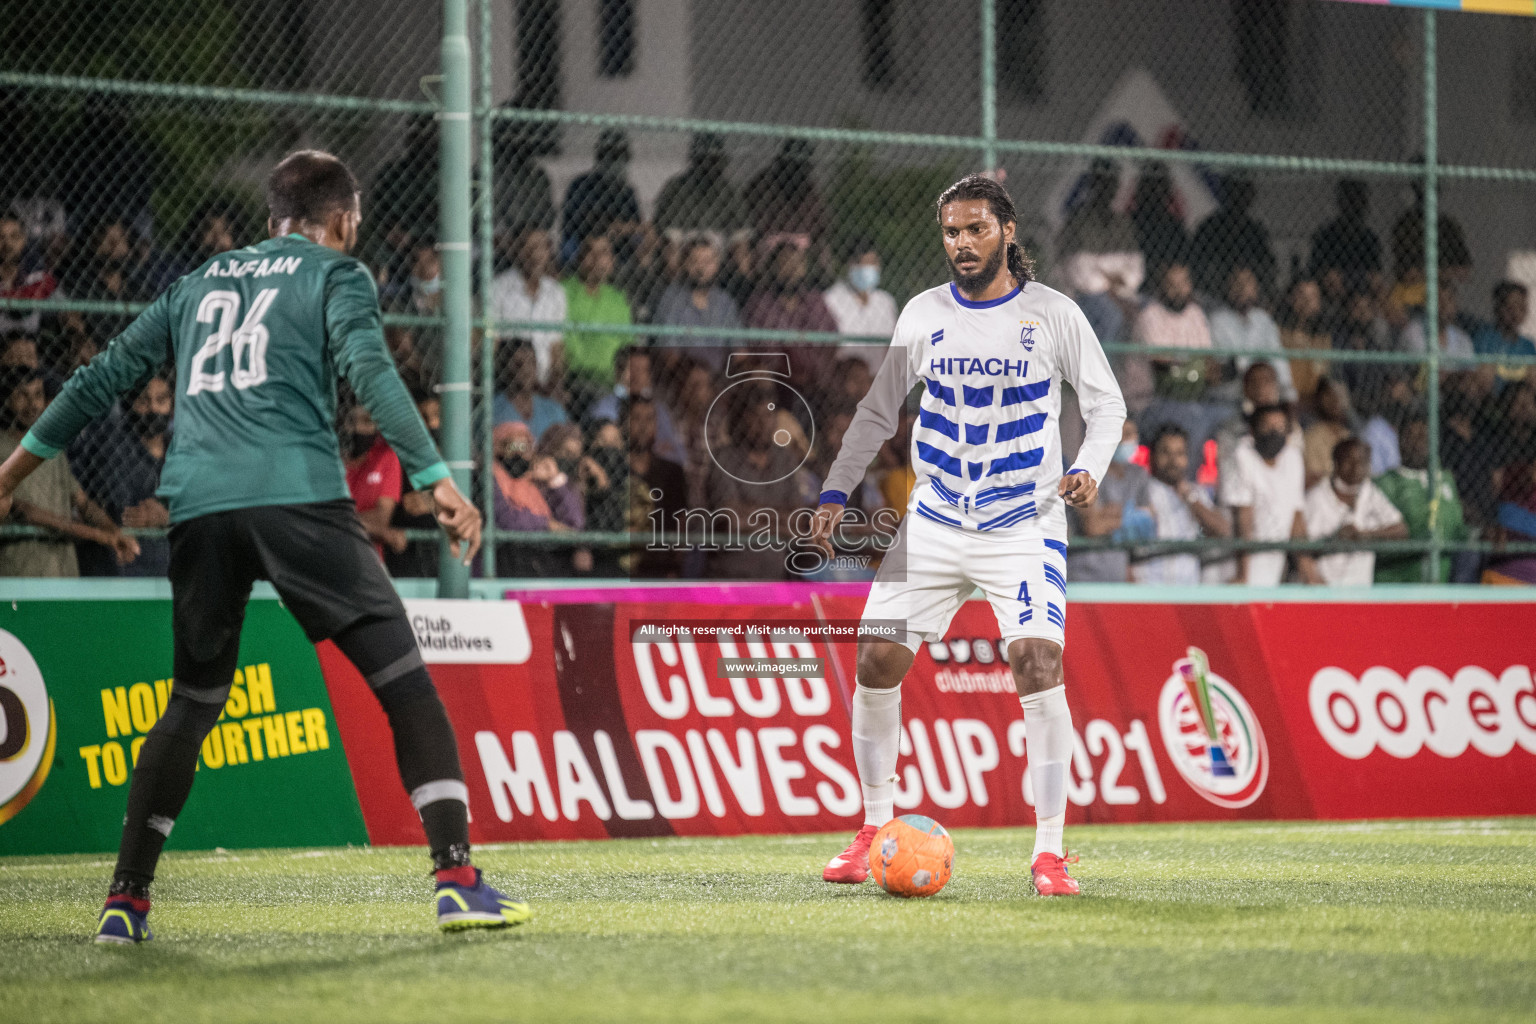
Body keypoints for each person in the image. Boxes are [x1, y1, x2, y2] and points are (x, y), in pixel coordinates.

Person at [0, 150, 525, 941]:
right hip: (299, 499)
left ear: (269, 219)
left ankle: (125, 901)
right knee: (406, 684)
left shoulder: (194, 284)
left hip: (199, 509)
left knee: (194, 701)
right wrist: (437, 477)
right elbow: (371, 369)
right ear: (344, 220)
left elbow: (94, 381)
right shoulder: (337, 275)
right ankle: (456, 879)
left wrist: (8, 476)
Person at [808, 174, 1125, 897]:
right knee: (876, 659)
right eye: (951, 232)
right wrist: (834, 491)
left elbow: (1106, 405)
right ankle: (874, 826)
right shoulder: (923, 314)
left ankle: (1049, 853)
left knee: (1038, 665)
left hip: (1024, 522)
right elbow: (876, 412)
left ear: (1007, 231)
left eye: (976, 229)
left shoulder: (1052, 314)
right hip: (935, 521)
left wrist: (1087, 468)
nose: (962, 243)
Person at [0, 368, 138, 577]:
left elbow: (82, 502)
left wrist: (112, 530)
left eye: (37, 395)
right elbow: (24, 511)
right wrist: (96, 535)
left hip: (63, 572)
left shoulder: (50, 446)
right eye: (22, 395)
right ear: (7, 399)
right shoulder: (2, 447)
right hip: (21, 571)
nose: (31, 404)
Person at [1220, 404, 1319, 586]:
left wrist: (1310, 571)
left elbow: (1296, 516)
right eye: (1267, 427)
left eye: (1280, 427)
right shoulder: (1240, 456)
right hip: (1237, 561)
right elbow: (1243, 516)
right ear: (1252, 430)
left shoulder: (1292, 457)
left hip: (1272, 562)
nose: (1274, 433)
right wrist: (1243, 575)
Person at [1056, 158, 1143, 346]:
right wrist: (1114, 278)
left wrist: (1107, 275)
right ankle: (1102, 374)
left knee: (1149, 311)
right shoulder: (1077, 220)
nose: (1107, 189)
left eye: (1112, 183)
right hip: (1085, 294)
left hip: (1123, 293)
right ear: (1093, 184)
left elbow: (1136, 268)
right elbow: (1080, 271)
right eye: (1102, 182)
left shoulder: (1123, 222)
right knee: (1111, 315)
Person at [1374, 416, 1469, 583]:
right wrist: (1421, 541)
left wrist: (1480, 534)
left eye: (1425, 437)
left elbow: (1457, 528)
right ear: (1400, 441)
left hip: (1441, 586)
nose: (1419, 443)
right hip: (1396, 587)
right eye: (1412, 436)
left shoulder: (1446, 479)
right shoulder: (1385, 484)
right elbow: (1377, 543)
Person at [1135, 424, 1232, 585]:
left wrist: (1190, 498)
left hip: (1187, 589)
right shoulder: (1142, 490)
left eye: (1179, 453)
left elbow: (1222, 530)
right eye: (1165, 452)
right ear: (1152, 456)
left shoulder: (1195, 493)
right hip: (1148, 586)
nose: (1173, 461)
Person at [1304, 437, 1406, 585]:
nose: (1356, 467)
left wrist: (1364, 535)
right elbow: (1302, 549)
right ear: (1336, 463)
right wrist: (1335, 539)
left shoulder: (1369, 492)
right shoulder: (1316, 497)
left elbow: (1401, 530)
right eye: (1349, 461)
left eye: (1362, 462)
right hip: (1324, 590)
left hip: (1360, 590)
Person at [1067, 420, 1152, 583]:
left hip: (1117, 578)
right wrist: (1129, 516)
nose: (1126, 440)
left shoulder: (1137, 475)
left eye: (1130, 434)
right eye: (1120, 434)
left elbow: (1148, 522)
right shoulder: (1083, 471)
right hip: (1083, 578)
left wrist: (1107, 515)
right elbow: (1093, 527)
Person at [561, 235, 633, 410]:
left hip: (612, 384)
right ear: (579, 257)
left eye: (604, 253)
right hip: (573, 380)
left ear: (612, 260)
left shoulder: (618, 299)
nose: (597, 260)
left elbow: (628, 345)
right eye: (590, 252)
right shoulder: (562, 292)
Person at [490, 227, 567, 387]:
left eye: (540, 247)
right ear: (516, 250)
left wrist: (554, 384)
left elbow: (556, 347)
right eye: (528, 247)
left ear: (548, 251)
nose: (535, 254)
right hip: (508, 381)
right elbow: (493, 343)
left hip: (545, 383)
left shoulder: (556, 292)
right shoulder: (498, 288)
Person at [1207, 265, 1294, 404]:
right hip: (1231, 395)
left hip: (1266, 392)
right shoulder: (1218, 320)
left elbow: (1278, 358)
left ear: (1256, 288)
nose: (1242, 288)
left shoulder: (1263, 319)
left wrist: (1289, 396)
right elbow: (1232, 363)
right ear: (1228, 288)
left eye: (1247, 282)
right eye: (1236, 283)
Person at [652, 237, 740, 369]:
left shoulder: (725, 302)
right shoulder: (671, 298)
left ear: (717, 265)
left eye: (707, 261)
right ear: (685, 264)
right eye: (694, 261)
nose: (701, 268)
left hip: (719, 376)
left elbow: (739, 349)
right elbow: (669, 352)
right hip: (684, 375)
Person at [560, 129, 641, 267]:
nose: (615, 162)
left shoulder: (626, 192)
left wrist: (624, 228)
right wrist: (615, 226)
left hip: (617, 250)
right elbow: (580, 223)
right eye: (610, 155)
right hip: (583, 245)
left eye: (621, 155)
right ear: (600, 156)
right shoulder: (581, 185)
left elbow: (637, 226)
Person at [1190, 173, 1276, 300]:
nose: (1241, 196)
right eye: (1236, 190)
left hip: (1250, 295)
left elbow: (1268, 266)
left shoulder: (1255, 230)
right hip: (1214, 294)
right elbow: (1198, 264)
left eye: (1245, 191)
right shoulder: (1210, 227)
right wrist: (1228, 282)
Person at [653, 133, 748, 241]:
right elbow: (665, 227)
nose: (709, 166)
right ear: (695, 161)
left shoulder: (730, 190)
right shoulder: (677, 186)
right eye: (703, 160)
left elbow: (741, 229)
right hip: (683, 244)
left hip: (717, 246)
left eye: (714, 160)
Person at [343, 404, 405, 562]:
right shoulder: (327, 460)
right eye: (350, 422)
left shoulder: (385, 457)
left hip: (367, 559)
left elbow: (381, 518)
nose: (356, 428)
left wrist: (337, 522)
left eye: (367, 422)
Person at [823, 241, 899, 370]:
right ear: (851, 265)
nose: (870, 268)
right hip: (844, 377)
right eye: (864, 263)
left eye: (873, 263)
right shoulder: (831, 300)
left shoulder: (885, 302)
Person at [1308, 179, 1382, 296]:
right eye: (1351, 201)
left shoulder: (1369, 238)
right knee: (1332, 281)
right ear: (1341, 203)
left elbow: (1375, 276)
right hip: (1331, 293)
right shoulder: (1326, 235)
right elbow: (1323, 273)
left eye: (1360, 201)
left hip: (1363, 295)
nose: (1355, 207)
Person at [492, 337, 570, 439]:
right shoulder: (493, 409)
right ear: (505, 368)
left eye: (531, 362)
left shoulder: (553, 410)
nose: (527, 370)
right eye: (518, 364)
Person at [1472, 281, 1536, 392]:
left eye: (1521, 307)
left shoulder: (1527, 345)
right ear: (1498, 308)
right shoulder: (1484, 338)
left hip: (1518, 398)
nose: (1515, 313)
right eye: (1510, 306)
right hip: (1489, 397)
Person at [1302, 378, 1353, 489]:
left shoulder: (1348, 435)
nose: (1336, 400)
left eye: (1340, 395)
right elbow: (1313, 478)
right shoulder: (1312, 436)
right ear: (1320, 399)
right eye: (1329, 394)